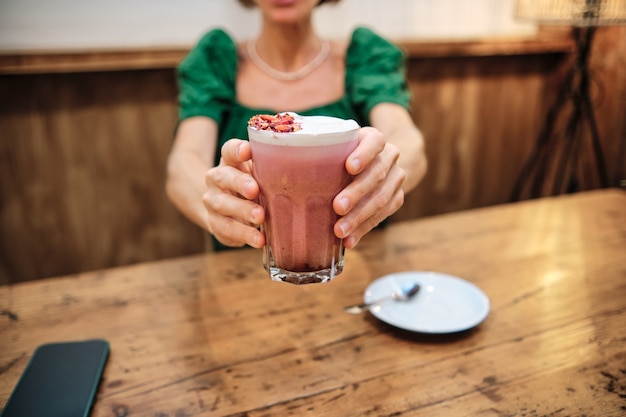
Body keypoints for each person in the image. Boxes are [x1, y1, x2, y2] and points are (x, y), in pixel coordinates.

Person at [166, 0, 427, 251]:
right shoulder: (218, 60)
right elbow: (185, 160)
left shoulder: (364, 56)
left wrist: (386, 169)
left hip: (350, 257)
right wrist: (216, 209)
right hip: (244, 263)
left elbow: (403, 136)